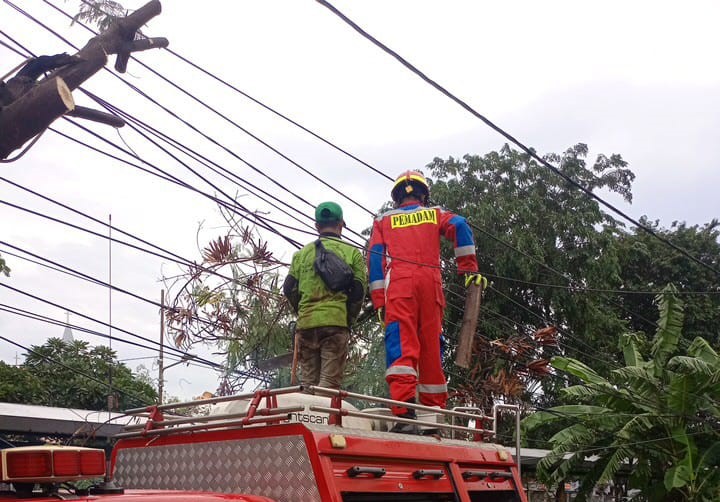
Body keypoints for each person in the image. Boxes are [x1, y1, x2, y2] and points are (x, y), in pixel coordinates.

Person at [367, 170, 483, 433]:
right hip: (431, 286)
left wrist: (378, 300)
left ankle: (405, 416)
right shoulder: (435, 214)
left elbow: (375, 258)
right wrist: (468, 269)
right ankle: (432, 421)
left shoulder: (383, 220)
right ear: (424, 195)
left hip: (400, 286)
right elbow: (461, 225)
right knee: (430, 349)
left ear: (396, 198)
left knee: (401, 348)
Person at [283, 201, 367, 389]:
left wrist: (303, 311)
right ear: (341, 225)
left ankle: (305, 417)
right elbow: (359, 292)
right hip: (335, 324)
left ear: (317, 226)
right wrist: (348, 319)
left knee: (308, 384)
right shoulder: (352, 253)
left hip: (306, 325)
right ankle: (323, 418)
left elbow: (288, 288)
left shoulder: (301, 254)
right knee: (327, 385)